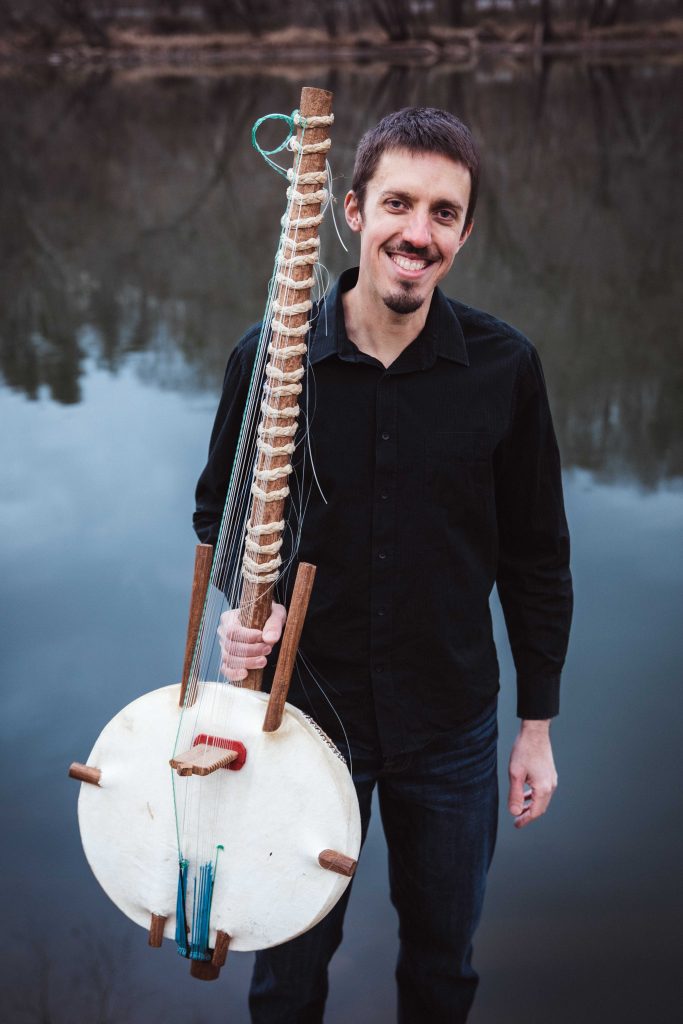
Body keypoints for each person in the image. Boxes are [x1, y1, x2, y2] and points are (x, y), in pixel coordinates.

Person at [194, 107, 572, 1023]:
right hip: (301, 725)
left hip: (450, 729)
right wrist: (245, 608)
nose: (419, 232)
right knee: (286, 974)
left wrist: (536, 725)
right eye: (399, 203)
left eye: (444, 213)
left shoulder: (504, 367)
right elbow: (222, 514)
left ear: (464, 232)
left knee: (443, 967)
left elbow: (536, 557)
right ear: (353, 211)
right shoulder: (272, 359)